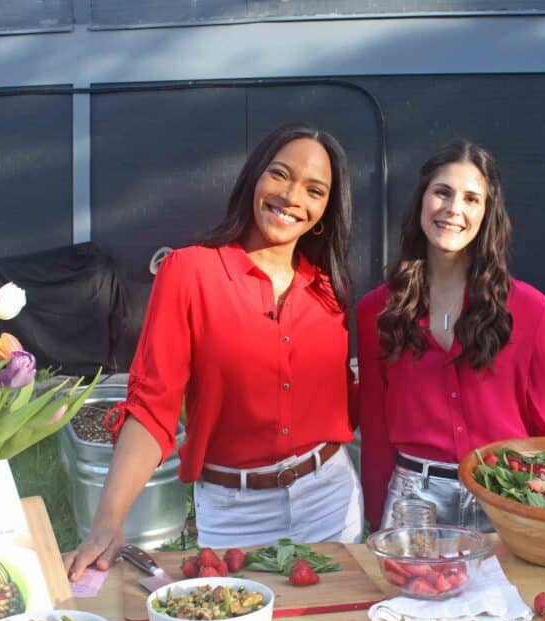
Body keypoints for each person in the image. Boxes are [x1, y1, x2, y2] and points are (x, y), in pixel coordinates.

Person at [65, 123, 363, 580]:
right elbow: (151, 406)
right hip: (235, 512)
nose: (292, 196)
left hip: (329, 500)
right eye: (280, 175)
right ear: (254, 181)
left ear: (324, 212)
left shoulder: (328, 290)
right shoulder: (189, 272)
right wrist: (108, 520)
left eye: (314, 190)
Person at [357, 139, 545, 532]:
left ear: (487, 213)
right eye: (442, 193)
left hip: (504, 496)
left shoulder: (530, 309)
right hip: (414, 504)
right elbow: (375, 426)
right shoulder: (377, 311)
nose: (453, 209)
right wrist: (376, 517)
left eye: (471, 199)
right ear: (421, 201)